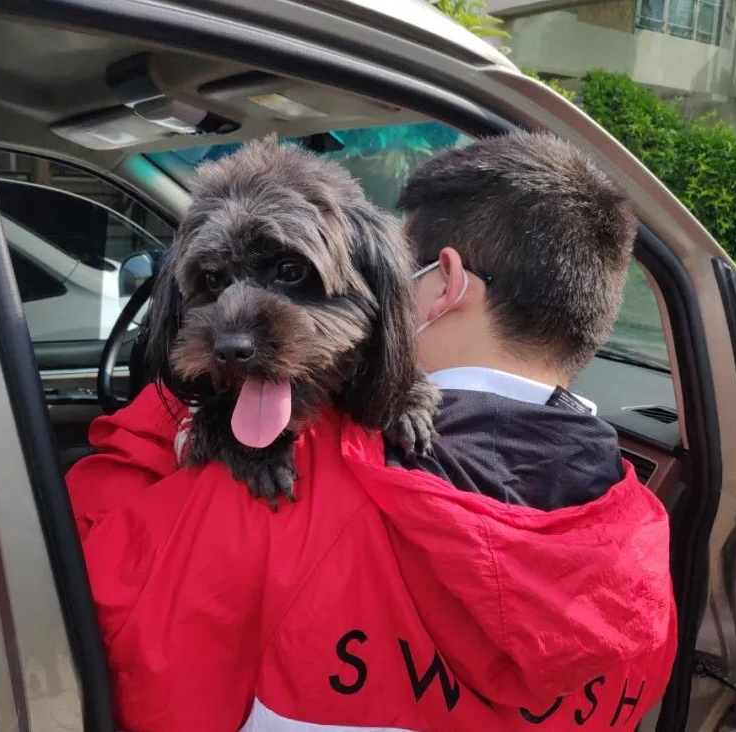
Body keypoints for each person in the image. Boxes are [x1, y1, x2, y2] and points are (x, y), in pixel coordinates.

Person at [67, 131, 677, 732]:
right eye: (215, 283)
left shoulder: (266, 505)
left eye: (291, 270)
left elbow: (92, 613)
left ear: (441, 283)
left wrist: (174, 425)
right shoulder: (646, 571)